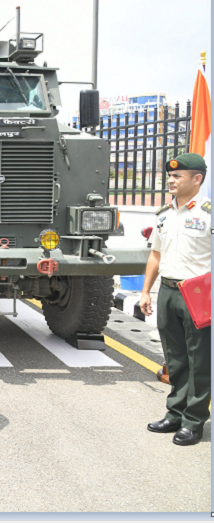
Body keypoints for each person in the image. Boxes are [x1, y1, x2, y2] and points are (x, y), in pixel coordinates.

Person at [140, 153, 211, 446]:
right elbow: (155, 254)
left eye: (177, 176)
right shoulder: (164, 215)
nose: (171, 180)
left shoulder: (209, 213)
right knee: (175, 358)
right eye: (169, 176)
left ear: (197, 179)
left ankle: (194, 422)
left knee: (200, 361)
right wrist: (146, 290)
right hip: (168, 292)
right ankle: (175, 414)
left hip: (199, 294)